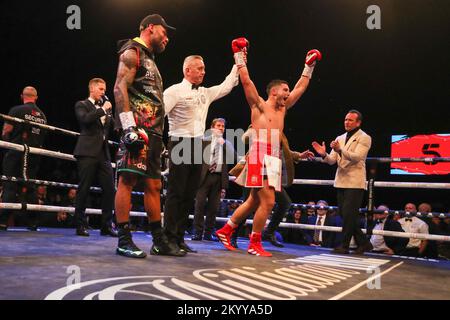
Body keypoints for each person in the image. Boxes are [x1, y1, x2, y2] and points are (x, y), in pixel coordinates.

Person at [216, 37, 321, 257]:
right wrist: (238, 55)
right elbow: (246, 82)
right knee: (269, 201)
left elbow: (301, 87)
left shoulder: (283, 109)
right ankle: (254, 242)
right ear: (274, 91)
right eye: (285, 89)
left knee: (255, 200)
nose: (288, 92)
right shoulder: (259, 106)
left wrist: (308, 66)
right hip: (258, 154)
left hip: (273, 158)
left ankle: (226, 229)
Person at [113, 14, 180, 258]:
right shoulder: (132, 52)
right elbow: (120, 87)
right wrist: (128, 127)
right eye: (164, 32)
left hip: (153, 132)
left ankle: (158, 240)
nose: (167, 37)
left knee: (154, 185)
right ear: (150, 28)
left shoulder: (150, 60)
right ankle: (123, 239)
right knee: (127, 181)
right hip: (138, 129)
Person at [163, 55, 239, 254]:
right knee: (176, 193)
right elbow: (157, 116)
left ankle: (179, 238)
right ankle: (167, 238)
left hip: (199, 145)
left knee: (189, 195)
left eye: (204, 68)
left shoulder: (205, 92)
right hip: (180, 143)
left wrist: (238, 59)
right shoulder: (174, 91)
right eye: (199, 68)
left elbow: (227, 85)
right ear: (187, 70)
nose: (204, 72)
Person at [229, 126, 314, 247]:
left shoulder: (279, 130)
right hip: (255, 167)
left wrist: (299, 155)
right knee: (248, 205)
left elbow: (283, 150)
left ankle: (269, 232)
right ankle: (233, 235)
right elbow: (245, 138)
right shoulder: (259, 123)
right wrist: (258, 129)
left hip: (271, 171)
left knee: (285, 202)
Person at [312, 109, 373, 255]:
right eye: (346, 119)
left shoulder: (364, 137)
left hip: (354, 181)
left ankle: (344, 245)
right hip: (340, 181)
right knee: (345, 215)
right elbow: (332, 161)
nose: (347, 122)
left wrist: (340, 150)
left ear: (358, 122)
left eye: (351, 120)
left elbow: (357, 157)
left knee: (348, 215)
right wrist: (324, 155)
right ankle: (364, 243)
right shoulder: (339, 137)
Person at [73, 78, 117, 237]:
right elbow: (84, 120)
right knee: (84, 188)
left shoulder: (105, 108)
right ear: (92, 89)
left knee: (110, 189)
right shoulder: (82, 104)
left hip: (103, 153)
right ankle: (80, 225)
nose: (103, 92)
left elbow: (111, 128)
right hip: (86, 151)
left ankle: (106, 225)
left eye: (104, 89)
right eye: (101, 89)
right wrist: (102, 110)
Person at [0, 86, 47, 231]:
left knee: (10, 185)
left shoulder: (17, 110)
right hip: (33, 155)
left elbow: (6, 131)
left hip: (16, 153)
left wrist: (7, 142)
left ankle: (2, 222)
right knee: (30, 186)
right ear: (36, 97)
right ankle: (33, 222)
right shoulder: (43, 116)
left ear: (22, 96)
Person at [192, 118, 236, 241]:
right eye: (218, 125)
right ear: (212, 127)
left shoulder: (226, 143)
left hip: (218, 178)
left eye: (223, 126)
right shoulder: (204, 141)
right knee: (199, 205)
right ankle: (197, 232)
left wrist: (222, 143)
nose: (221, 128)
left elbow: (233, 157)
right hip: (204, 177)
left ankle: (208, 233)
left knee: (213, 208)